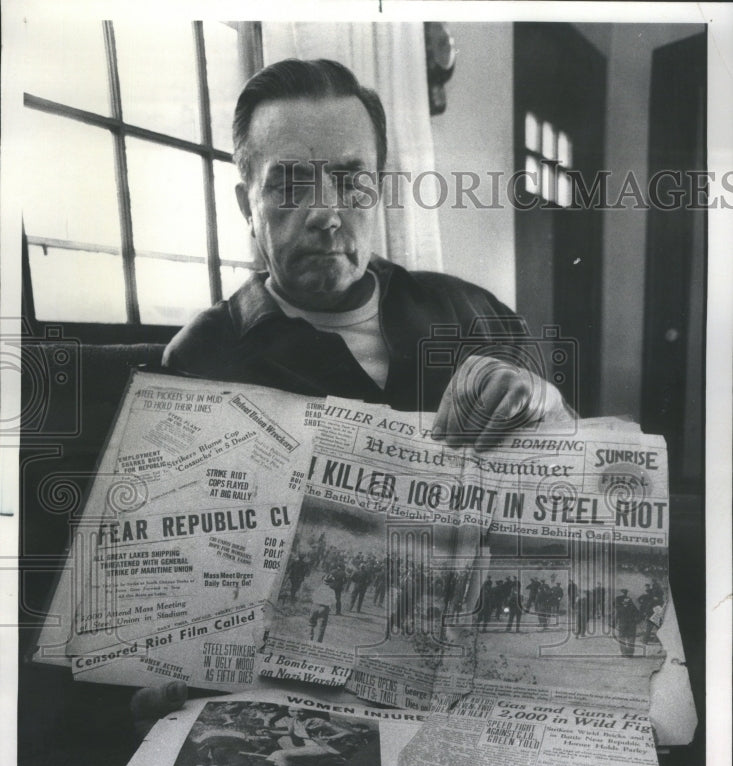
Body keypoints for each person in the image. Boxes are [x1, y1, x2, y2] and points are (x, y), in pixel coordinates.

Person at [136, 56, 571, 729]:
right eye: (289, 185)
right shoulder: (201, 360)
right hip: (299, 702)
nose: (326, 214)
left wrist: (547, 408)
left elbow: (581, 476)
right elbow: (165, 589)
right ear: (243, 201)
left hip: (482, 681)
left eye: (349, 181)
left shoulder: (470, 312)